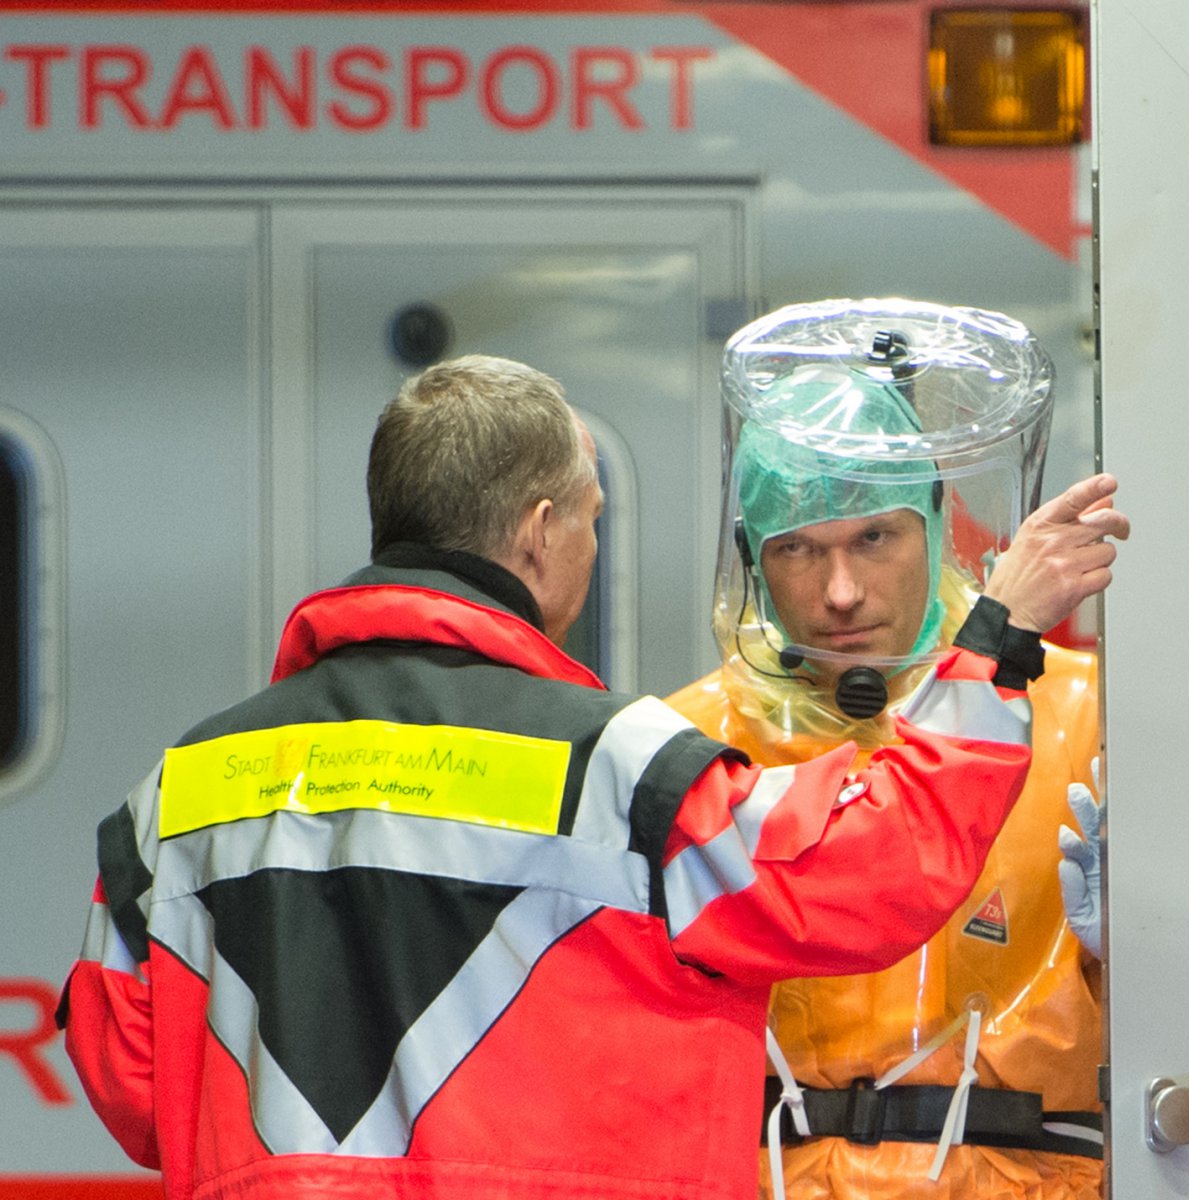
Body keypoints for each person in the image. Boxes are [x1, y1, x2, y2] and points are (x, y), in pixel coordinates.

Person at [56, 353, 1128, 1200]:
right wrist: (996, 646)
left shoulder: (171, 800)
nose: (838, 588)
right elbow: (860, 876)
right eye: (592, 516)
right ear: (541, 532)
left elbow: (133, 1084)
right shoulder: (617, 765)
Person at [663, 299, 1118, 1200]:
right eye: (799, 549)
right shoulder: (693, 745)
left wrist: (1138, 948)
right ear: (754, 561)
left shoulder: (1079, 716)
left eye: (874, 537)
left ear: (937, 523)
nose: (841, 591)